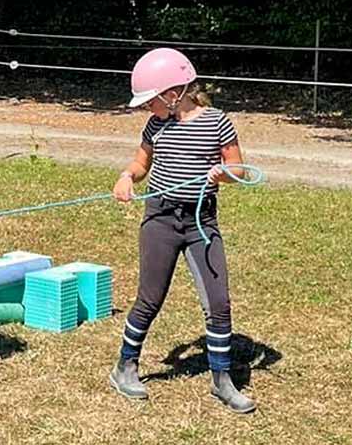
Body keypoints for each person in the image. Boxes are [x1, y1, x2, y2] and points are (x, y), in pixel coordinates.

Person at [107, 47, 256, 413]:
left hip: (201, 223)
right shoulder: (155, 126)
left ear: (174, 93)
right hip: (160, 219)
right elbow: (141, 163)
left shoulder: (218, 121)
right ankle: (125, 366)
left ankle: (222, 379)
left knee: (218, 303)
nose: (146, 108)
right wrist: (127, 177)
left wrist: (225, 174)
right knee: (150, 298)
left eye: (150, 101)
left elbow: (239, 169)